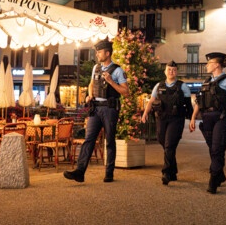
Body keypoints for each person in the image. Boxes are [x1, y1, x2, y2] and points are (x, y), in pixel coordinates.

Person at [64, 39, 129, 183]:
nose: (97, 54)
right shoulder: (96, 68)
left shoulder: (118, 70)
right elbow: (91, 84)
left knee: (109, 140)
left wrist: (112, 82)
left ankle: (109, 173)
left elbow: (126, 92)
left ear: (107, 53)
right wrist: (89, 94)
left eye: (99, 52)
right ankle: (80, 172)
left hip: (110, 109)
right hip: (96, 109)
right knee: (89, 139)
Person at [141, 60, 197, 185]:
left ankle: (166, 173)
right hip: (161, 118)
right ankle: (173, 170)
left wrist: (192, 120)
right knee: (162, 141)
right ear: (165, 71)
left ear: (177, 72)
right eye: (169, 69)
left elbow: (189, 105)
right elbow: (151, 101)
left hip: (176, 119)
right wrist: (145, 113)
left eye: (174, 70)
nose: (171, 72)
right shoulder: (159, 86)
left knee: (169, 145)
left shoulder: (183, 86)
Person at [190, 52, 226, 194]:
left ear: (216, 65)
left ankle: (213, 181)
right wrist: (193, 117)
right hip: (207, 118)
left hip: (221, 118)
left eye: (209, 63)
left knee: (217, 148)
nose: (206, 66)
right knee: (213, 148)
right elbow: (199, 101)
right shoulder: (206, 82)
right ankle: (220, 175)